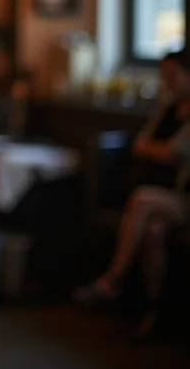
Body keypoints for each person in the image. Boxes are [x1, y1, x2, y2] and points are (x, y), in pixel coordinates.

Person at [73, 49, 190, 339]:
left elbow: (173, 151)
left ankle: (112, 280)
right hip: (166, 197)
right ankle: (155, 314)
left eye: (173, 75)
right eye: (164, 76)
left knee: (141, 200)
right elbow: (141, 144)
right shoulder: (168, 108)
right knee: (153, 231)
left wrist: (158, 151)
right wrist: (158, 151)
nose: (168, 82)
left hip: (182, 196)